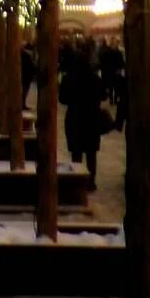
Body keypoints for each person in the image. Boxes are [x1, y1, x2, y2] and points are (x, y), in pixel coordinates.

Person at [62, 46, 107, 192]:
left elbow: (62, 99)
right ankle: (91, 182)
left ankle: (77, 181)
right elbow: (103, 95)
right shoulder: (95, 78)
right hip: (91, 118)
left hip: (74, 118)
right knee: (91, 153)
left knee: (76, 152)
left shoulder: (68, 78)